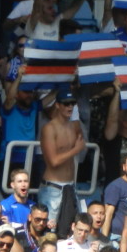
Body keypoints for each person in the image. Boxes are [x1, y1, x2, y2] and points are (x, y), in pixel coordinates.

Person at [38, 88, 85, 229]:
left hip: (70, 186)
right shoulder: (49, 128)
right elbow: (54, 161)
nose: (70, 107)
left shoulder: (73, 127)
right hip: (52, 187)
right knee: (49, 232)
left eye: (72, 103)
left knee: (71, 231)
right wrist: (75, 150)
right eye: (66, 104)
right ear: (57, 105)